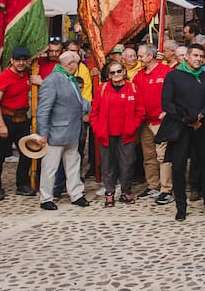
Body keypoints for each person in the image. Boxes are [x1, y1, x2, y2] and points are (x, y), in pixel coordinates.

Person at [161, 43, 205, 221]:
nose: (198, 59)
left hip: (202, 127)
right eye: (195, 55)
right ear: (187, 56)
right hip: (181, 127)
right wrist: (186, 119)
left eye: (200, 56)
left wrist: (200, 117)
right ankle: (181, 207)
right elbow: (167, 103)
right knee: (178, 167)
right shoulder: (173, 76)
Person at [34, 51, 91, 210]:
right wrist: (42, 133)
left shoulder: (70, 78)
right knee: (50, 167)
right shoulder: (52, 81)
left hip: (72, 130)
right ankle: (46, 197)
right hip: (55, 132)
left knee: (73, 164)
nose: (78, 66)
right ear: (70, 64)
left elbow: (77, 101)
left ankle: (76, 194)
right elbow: (43, 110)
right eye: (77, 63)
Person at [91, 62, 144, 206]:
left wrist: (133, 126)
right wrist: (98, 129)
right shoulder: (102, 89)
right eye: (112, 72)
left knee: (127, 163)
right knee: (108, 164)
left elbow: (140, 111)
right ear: (108, 75)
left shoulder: (133, 88)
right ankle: (109, 192)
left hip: (127, 134)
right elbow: (94, 112)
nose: (116, 75)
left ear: (124, 71)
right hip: (106, 134)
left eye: (119, 71)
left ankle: (125, 192)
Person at [0, 46, 38, 198]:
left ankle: (22, 184)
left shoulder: (28, 74)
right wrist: (1, 125)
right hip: (6, 119)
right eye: (18, 60)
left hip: (22, 119)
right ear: (12, 60)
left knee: (26, 152)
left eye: (24, 60)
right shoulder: (3, 77)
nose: (21, 63)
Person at [133, 44, 173, 205]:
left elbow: (175, 93)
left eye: (141, 56)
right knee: (148, 156)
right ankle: (152, 186)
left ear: (150, 56)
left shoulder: (166, 72)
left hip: (162, 122)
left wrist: (168, 111)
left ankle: (166, 189)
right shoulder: (138, 75)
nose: (139, 59)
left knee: (163, 156)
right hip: (145, 122)